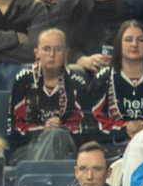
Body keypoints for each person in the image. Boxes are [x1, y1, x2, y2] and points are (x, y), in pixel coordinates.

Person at [8, 28, 93, 161]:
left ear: (66, 53)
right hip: (28, 149)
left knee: (58, 136)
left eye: (58, 49)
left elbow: (85, 130)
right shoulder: (23, 82)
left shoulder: (77, 83)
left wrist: (61, 129)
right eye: (46, 49)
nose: (52, 54)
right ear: (37, 53)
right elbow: (14, 130)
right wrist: (43, 129)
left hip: (68, 148)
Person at [88, 18, 143, 148]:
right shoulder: (104, 78)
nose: (134, 44)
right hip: (113, 147)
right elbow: (92, 120)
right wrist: (123, 132)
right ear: (119, 44)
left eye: (140, 40)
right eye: (128, 39)